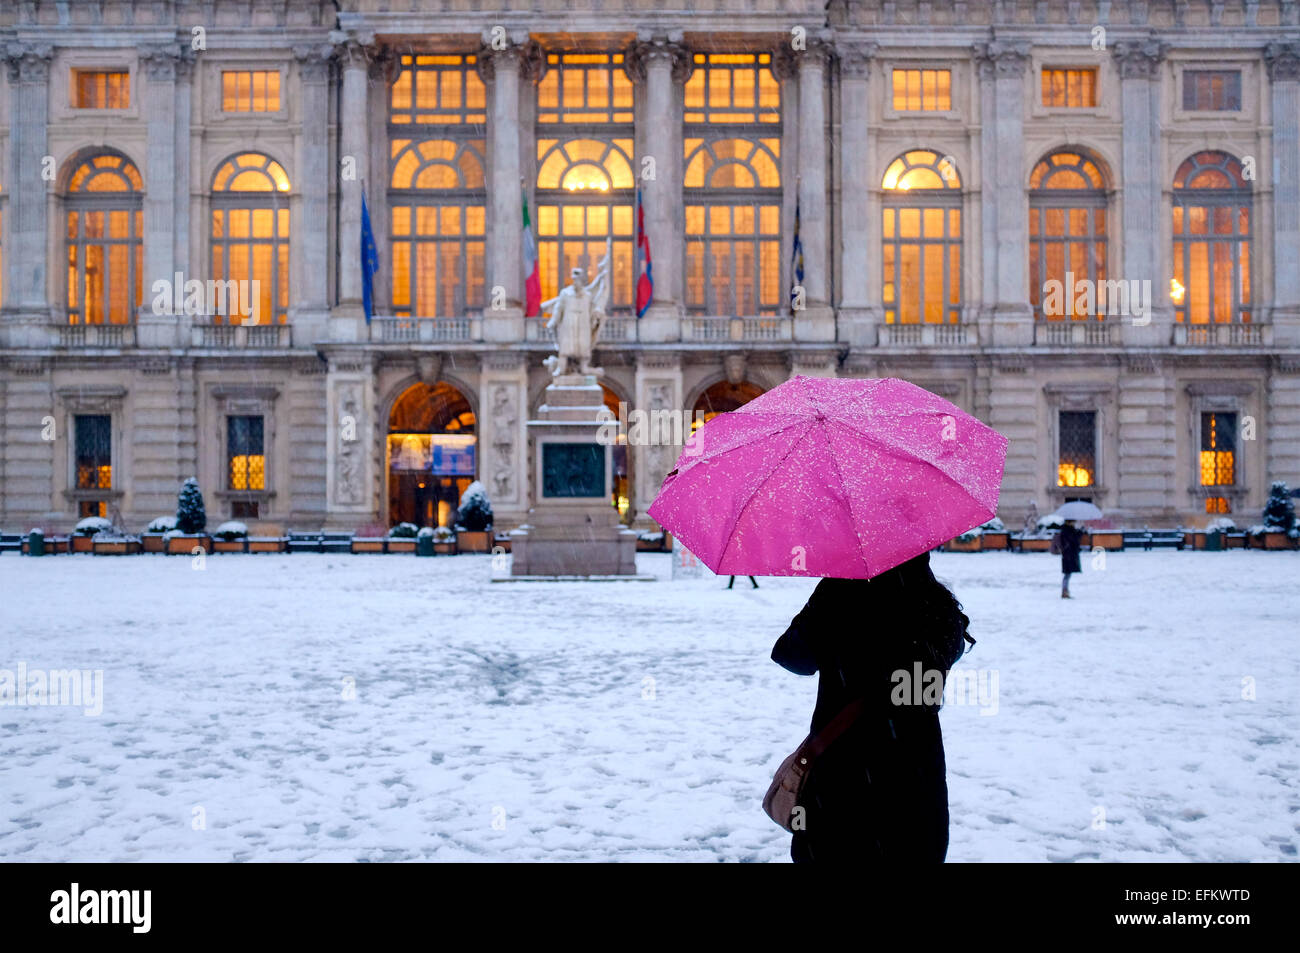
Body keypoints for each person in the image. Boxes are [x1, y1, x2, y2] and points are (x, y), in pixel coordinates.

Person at [770, 551, 973, 863]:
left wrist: (818, 605)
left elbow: (791, 656)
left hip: (842, 767)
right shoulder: (937, 604)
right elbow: (951, 653)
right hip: (916, 769)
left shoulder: (839, 593)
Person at [1059, 519, 1082, 598]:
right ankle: (1065, 591)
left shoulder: (1067, 530)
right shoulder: (1067, 531)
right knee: (1067, 574)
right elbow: (1074, 540)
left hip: (1068, 555)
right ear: (1069, 522)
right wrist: (1079, 532)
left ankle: (1065, 591)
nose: (1074, 523)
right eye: (1073, 522)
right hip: (1068, 555)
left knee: (1067, 574)